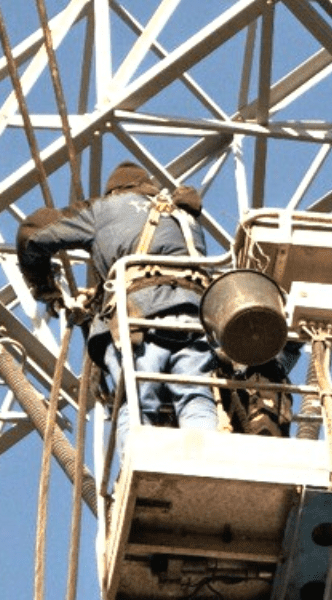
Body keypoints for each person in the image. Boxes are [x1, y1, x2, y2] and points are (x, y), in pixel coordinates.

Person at [16, 162, 220, 444]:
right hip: (194, 315)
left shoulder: (104, 210)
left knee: (136, 400)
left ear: (116, 192)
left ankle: (135, 466)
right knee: (195, 392)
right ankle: (206, 455)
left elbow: (32, 233)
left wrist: (45, 287)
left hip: (138, 318)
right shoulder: (183, 213)